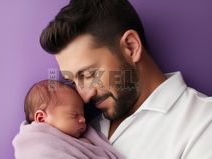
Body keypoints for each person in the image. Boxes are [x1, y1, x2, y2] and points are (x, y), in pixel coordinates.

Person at [39, 0, 212, 158]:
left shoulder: (202, 123)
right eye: (73, 81)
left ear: (131, 47)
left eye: (88, 74)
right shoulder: (77, 126)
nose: (84, 97)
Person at [12, 80, 124, 159]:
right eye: (74, 115)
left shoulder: (79, 138)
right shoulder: (37, 144)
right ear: (41, 118)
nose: (83, 120)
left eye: (83, 114)